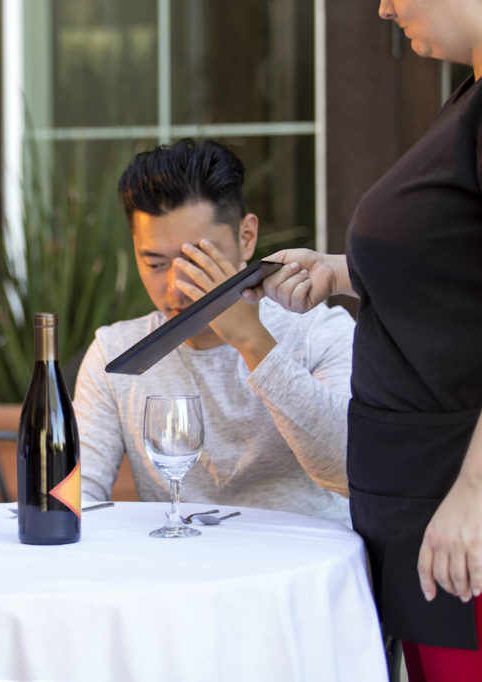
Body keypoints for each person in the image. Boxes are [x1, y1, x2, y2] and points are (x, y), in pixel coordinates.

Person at [245, 2, 482, 676]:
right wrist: (345, 271)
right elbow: (456, 273)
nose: (383, 6)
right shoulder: (466, 98)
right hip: (421, 502)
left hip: (457, 513)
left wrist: (474, 494)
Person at [74, 138, 354, 525]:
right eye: (155, 264)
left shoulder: (319, 332)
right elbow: (76, 496)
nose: (176, 287)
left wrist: (253, 343)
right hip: (179, 575)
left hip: (307, 573)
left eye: (198, 261)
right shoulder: (115, 352)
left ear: (246, 237)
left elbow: (352, 471)